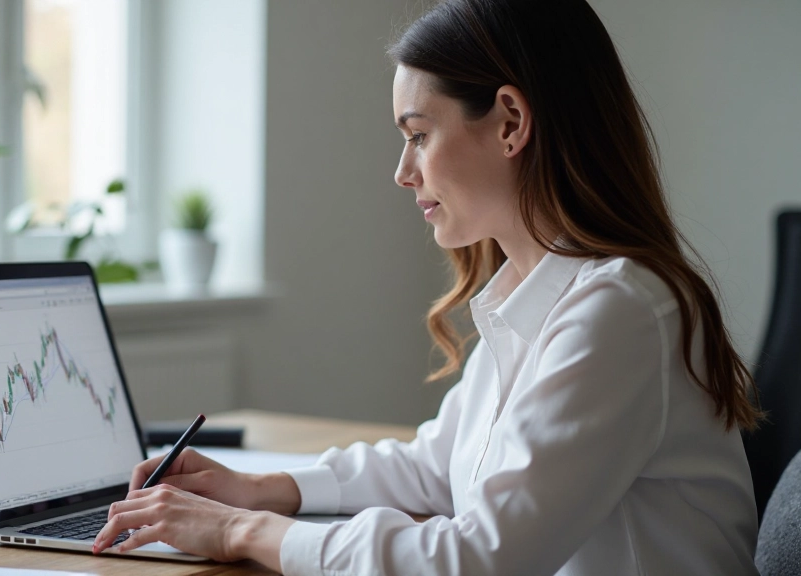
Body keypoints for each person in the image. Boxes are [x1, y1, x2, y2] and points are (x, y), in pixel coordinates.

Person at [93, 0, 762, 573]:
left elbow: (474, 559)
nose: (402, 172)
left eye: (418, 135)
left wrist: (242, 531)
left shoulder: (620, 312)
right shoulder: (533, 294)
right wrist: (262, 489)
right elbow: (438, 466)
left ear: (510, 123)